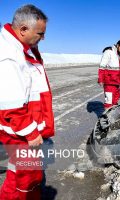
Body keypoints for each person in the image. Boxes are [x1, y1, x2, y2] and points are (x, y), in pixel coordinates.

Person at [0, 4, 54, 199]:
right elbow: (10, 106)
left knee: (16, 176)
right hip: (21, 134)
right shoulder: (8, 55)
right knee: (28, 181)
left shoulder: (23, 47)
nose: (43, 38)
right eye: (40, 33)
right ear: (23, 29)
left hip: (23, 130)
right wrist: (31, 133)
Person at [98, 40, 120, 109]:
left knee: (115, 101)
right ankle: (106, 118)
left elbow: (119, 70)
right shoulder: (108, 52)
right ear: (117, 45)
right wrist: (100, 80)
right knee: (109, 102)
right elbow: (102, 67)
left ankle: (113, 117)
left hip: (117, 82)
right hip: (109, 82)